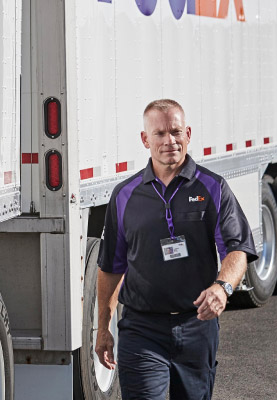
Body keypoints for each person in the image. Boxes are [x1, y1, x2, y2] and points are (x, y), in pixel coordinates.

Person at [95, 99, 258, 399]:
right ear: (145, 140)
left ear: (188, 134)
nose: (169, 140)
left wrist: (222, 288)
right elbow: (111, 266)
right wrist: (103, 327)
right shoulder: (125, 196)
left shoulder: (213, 187)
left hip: (197, 325)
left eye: (176, 132)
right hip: (141, 328)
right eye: (160, 134)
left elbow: (238, 248)